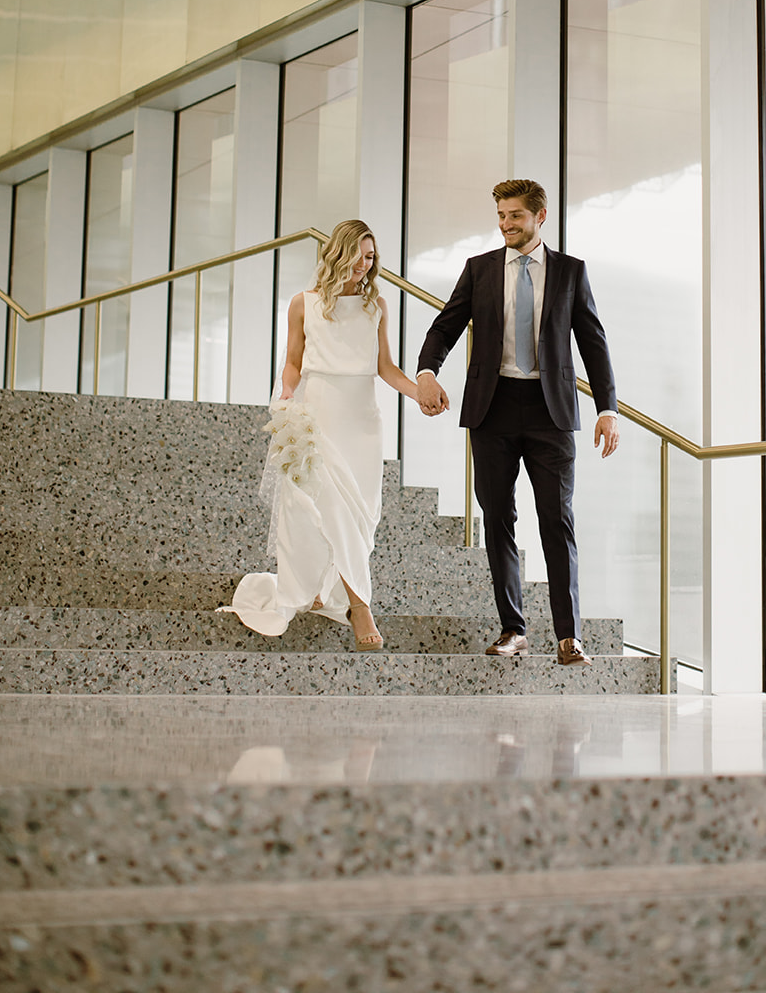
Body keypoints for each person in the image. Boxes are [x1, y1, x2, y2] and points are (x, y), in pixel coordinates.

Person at [416, 178, 619, 666]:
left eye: (516, 216)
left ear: (539, 216)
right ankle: (514, 629)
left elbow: (593, 340)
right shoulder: (479, 269)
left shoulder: (571, 272)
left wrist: (607, 409)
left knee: (557, 519)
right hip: (493, 408)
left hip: (551, 411)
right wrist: (426, 372)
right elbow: (446, 325)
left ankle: (568, 636)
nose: (506, 224)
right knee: (499, 519)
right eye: (501, 216)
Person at [220, 219, 420, 650]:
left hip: (362, 422)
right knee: (318, 508)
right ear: (337, 254)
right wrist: (287, 395)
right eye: (358, 256)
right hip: (318, 414)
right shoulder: (303, 304)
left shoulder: (377, 307)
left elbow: (385, 368)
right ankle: (359, 603)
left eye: (370, 258)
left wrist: (418, 392)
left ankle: (328, 590)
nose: (364, 266)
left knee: (358, 514)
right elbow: (293, 361)